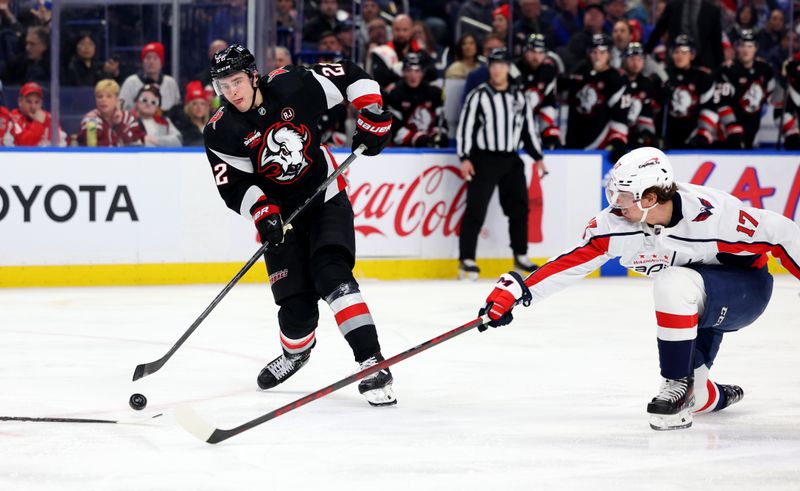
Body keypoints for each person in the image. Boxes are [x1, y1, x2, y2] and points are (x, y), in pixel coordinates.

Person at [478, 146, 800, 431]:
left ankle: (676, 384)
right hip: (696, 299)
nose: (616, 205)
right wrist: (518, 290)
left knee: (671, 281)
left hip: (745, 289)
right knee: (698, 391)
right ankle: (705, 392)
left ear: (651, 197)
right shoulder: (617, 224)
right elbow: (571, 261)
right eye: (614, 194)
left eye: (624, 196)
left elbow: (784, 233)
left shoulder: (714, 215)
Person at [202, 44, 396, 406]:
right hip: (281, 218)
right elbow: (234, 186)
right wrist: (263, 213)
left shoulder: (292, 85)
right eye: (223, 86)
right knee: (297, 311)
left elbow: (351, 74)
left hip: (325, 197)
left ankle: (371, 361)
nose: (232, 92)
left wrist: (371, 112)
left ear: (253, 76)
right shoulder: (220, 130)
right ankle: (296, 353)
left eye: (237, 81)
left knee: (333, 276)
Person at [456, 48, 543, 280]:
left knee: (520, 208)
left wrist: (538, 157)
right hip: (483, 159)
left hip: (511, 159)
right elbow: (466, 128)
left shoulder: (518, 96)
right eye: (493, 65)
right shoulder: (479, 95)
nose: (497, 69)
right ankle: (467, 258)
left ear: (508, 68)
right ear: (489, 68)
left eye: (502, 65)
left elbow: (528, 129)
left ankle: (520, 254)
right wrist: (464, 157)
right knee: (476, 208)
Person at [563, 33, 629, 163]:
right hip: (573, 143)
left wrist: (618, 142)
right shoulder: (579, 73)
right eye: (594, 52)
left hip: (600, 145)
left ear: (609, 54)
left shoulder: (616, 79)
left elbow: (620, 116)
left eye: (602, 52)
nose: (597, 56)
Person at [716, 30, 774, 150]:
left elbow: (773, 95)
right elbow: (722, 104)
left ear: (755, 48)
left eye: (749, 46)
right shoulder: (728, 70)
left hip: (754, 126)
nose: (746, 50)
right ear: (737, 48)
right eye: (742, 45)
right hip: (731, 131)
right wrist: (732, 127)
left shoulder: (765, 69)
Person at [662, 34, 717, 149]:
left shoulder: (702, 77)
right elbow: (654, 109)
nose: (679, 56)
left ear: (692, 55)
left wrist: (703, 134)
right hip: (667, 138)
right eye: (676, 52)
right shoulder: (664, 76)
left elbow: (709, 108)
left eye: (684, 52)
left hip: (694, 136)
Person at [384, 53, 446, 147]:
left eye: (417, 71)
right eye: (409, 70)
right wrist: (415, 138)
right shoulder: (395, 93)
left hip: (428, 144)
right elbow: (393, 128)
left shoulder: (434, 92)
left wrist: (437, 135)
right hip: (402, 150)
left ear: (423, 72)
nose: (413, 75)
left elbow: (441, 121)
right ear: (403, 72)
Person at [516, 33, 560, 150]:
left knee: (552, 134)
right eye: (532, 52)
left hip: (540, 111)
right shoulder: (515, 69)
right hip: (516, 113)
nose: (536, 57)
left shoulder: (549, 70)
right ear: (525, 51)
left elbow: (548, 101)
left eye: (540, 53)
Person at [77, 79, 144, 147]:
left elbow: (137, 144)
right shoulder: (90, 119)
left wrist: (120, 124)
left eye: (109, 96)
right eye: (100, 97)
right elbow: (92, 148)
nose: (103, 100)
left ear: (117, 99)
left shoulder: (128, 118)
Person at [119, 42, 181, 111]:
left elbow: (177, 108)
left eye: (155, 58)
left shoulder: (170, 82)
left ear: (161, 62)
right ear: (143, 62)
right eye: (148, 58)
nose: (151, 62)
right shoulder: (131, 82)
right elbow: (123, 110)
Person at [3, 81, 66, 146]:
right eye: (29, 102)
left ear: (41, 103)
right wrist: (38, 123)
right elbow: (25, 145)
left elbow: (56, 145)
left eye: (37, 102)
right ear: (20, 101)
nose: (33, 107)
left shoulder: (49, 118)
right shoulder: (13, 118)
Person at [621, 42, 658, 148]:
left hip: (636, 135)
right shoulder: (617, 80)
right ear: (625, 59)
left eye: (639, 59)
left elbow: (647, 113)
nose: (635, 63)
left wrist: (647, 135)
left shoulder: (647, 84)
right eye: (632, 59)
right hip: (616, 133)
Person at [170, 80, 210, 147]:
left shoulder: (213, 126)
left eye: (202, 104)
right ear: (188, 107)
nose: (199, 107)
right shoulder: (181, 128)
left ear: (206, 107)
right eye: (194, 104)